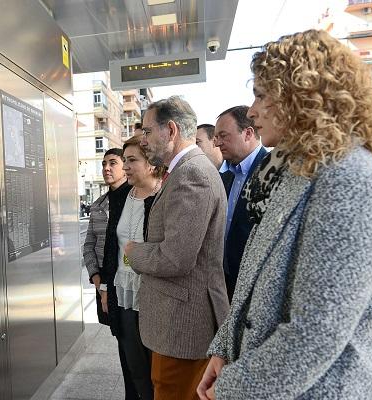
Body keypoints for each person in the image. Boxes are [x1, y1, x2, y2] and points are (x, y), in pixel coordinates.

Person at [197, 29, 372, 400]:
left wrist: (231, 386)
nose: (252, 110)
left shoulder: (351, 183)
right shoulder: (302, 171)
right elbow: (255, 278)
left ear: (303, 96)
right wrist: (225, 347)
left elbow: (314, 335)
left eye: (262, 94)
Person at [125, 96, 230, 400]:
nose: (143, 141)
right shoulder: (187, 171)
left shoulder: (191, 174)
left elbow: (176, 258)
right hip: (180, 322)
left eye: (147, 132)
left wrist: (134, 252)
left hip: (183, 326)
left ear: (170, 130)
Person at [101, 135, 164, 399]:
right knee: (134, 368)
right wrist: (105, 286)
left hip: (153, 295)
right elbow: (110, 244)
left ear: (151, 163)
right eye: (124, 160)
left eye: (131, 160)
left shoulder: (165, 194)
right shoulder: (124, 195)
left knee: (157, 373)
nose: (125, 167)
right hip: (124, 293)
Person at [82, 148, 135, 395]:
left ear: (125, 166)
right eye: (104, 163)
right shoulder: (98, 206)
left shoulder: (135, 199)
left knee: (132, 343)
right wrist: (97, 280)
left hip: (128, 284)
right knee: (121, 339)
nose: (106, 168)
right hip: (103, 284)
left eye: (112, 162)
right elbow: (89, 245)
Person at [214, 106, 267, 301]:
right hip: (225, 281)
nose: (217, 143)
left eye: (223, 136)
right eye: (216, 137)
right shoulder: (225, 175)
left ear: (248, 133)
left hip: (255, 287)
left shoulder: (271, 170)